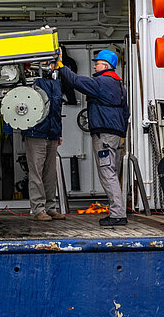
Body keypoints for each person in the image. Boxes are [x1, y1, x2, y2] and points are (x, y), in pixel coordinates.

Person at [56, 50, 130, 226]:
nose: (94, 66)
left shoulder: (102, 82)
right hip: (116, 135)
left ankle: (118, 214)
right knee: (112, 173)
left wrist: (61, 66)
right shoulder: (120, 86)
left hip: (104, 135)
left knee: (107, 173)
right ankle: (118, 211)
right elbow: (125, 113)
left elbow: (75, 81)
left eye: (97, 63)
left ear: (105, 66)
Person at [22, 68, 64, 221]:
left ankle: (50, 207)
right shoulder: (31, 81)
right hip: (35, 133)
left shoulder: (56, 82)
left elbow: (57, 110)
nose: (51, 65)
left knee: (50, 174)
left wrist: (59, 133)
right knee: (37, 173)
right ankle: (38, 209)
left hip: (52, 133)